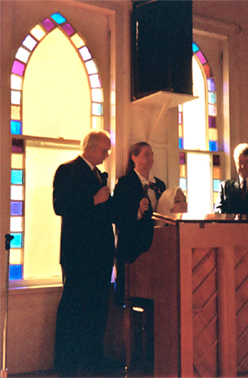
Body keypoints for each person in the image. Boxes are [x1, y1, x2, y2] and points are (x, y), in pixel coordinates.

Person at [53, 130, 116, 377]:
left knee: (98, 308)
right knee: (73, 308)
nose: (107, 154)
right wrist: (94, 200)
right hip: (79, 254)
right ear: (90, 148)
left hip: (100, 255)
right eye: (104, 149)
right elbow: (60, 206)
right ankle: (66, 365)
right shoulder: (67, 170)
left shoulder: (99, 175)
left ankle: (93, 358)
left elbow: (105, 212)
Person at [112, 142, 166, 302]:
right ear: (134, 158)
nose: (151, 158)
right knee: (131, 295)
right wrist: (137, 212)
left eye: (152, 154)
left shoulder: (159, 185)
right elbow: (115, 214)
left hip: (156, 245)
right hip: (132, 247)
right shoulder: (124, 183)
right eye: (146, 154)